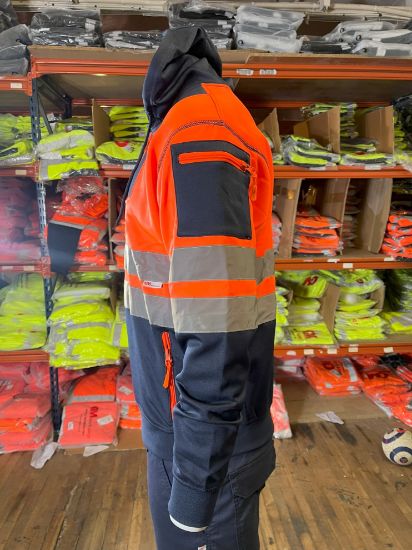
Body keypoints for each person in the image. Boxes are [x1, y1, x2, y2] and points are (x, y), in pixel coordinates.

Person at [124, 26, 276, 550]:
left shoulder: (200, 129)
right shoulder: (192, 117)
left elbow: (217, 319)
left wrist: (194, 484)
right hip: (193, 429)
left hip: (204, 446)